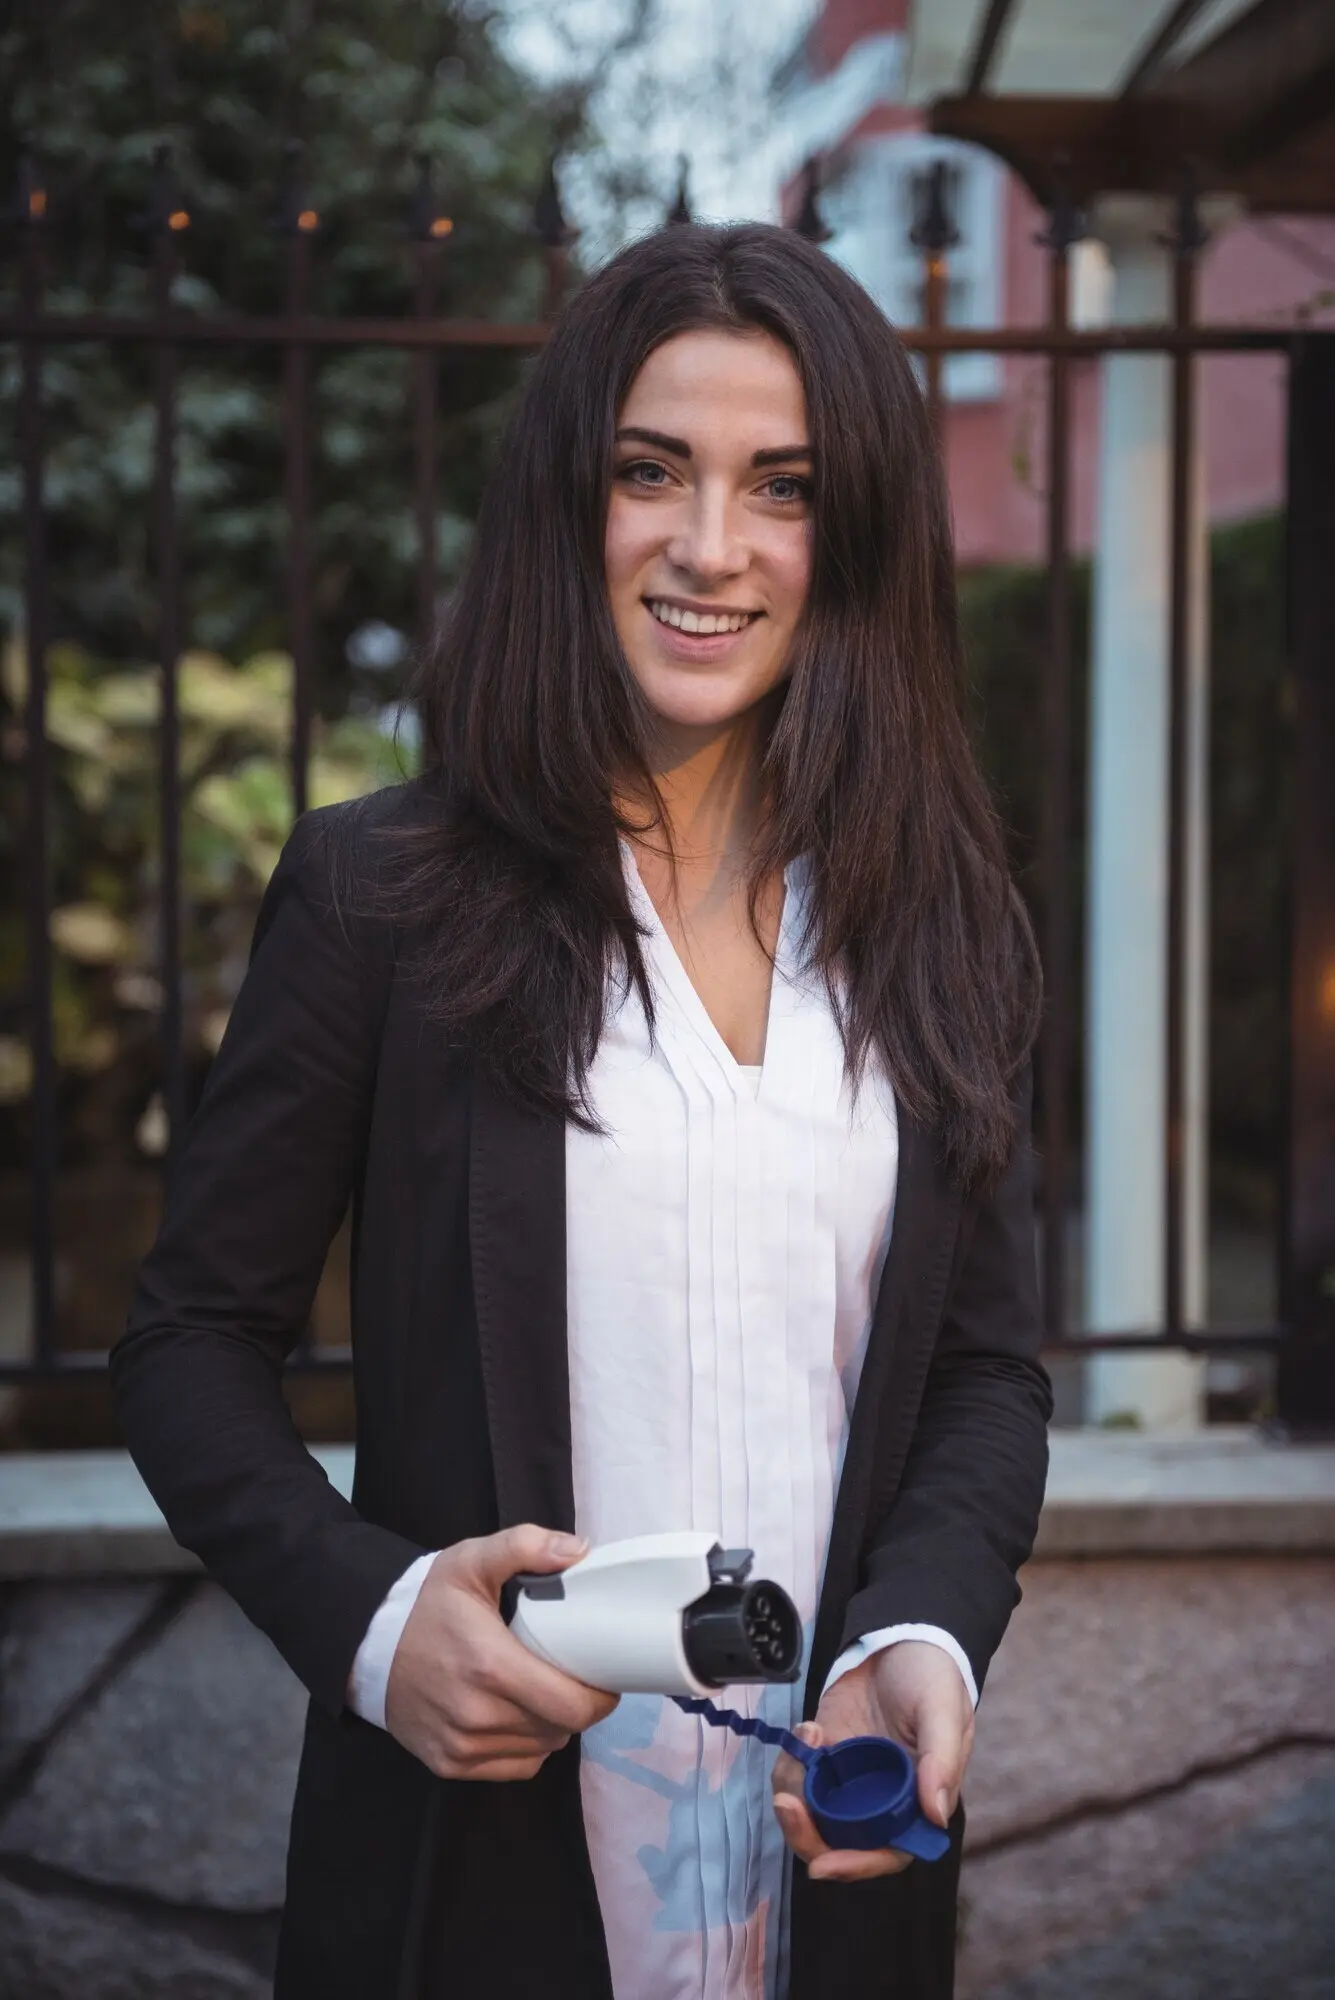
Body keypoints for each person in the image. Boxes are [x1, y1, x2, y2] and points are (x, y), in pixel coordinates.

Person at [112, 222, 1050, 2000]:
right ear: (570, 501)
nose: (709, 546)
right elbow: (187, 1345)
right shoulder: (383, 894)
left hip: (830, 1879)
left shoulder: (946, 923)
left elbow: (985, 1372)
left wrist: (925, 1630)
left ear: (852, 534)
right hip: (476, 1883)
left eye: (782, 487)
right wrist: (376, 1623)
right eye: (650, 472)